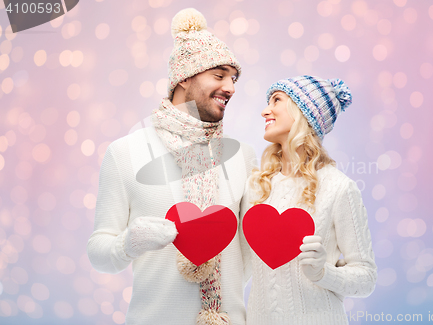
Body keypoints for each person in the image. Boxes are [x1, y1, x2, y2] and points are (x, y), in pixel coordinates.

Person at [87, 8, 255, 325]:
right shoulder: (126, 152)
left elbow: (253, 256)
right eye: (218, 76)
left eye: (233, 79)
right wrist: (128, 244)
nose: (231, 88)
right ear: (184, 78)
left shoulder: (243, 157)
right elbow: (99, 252)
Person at [241, 75, 377, 324]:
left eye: (276, 100)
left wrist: (323, 273)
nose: (265, 111)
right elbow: (241, 267)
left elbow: (366, 279)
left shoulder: (339, 187)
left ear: (303, 112)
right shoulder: (256, 187)